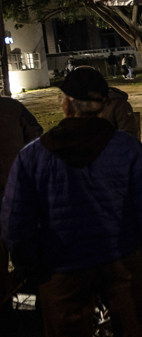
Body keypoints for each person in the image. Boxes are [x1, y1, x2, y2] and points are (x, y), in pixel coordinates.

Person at [1, 67, 142, 337]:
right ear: (104, 104)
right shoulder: (128, 149)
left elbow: (15, 222)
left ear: (65, 103)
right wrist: (137, 251)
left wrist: (33, 266)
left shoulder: (33, 156)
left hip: (60, 268)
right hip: (121, 261)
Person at [0, 97, 42, 307]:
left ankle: (10, 309)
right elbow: (35, 137)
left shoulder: (13, 107)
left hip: (16, 192)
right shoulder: (12, 107)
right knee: (24, 255)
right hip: (16, 192)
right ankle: (24, 306)